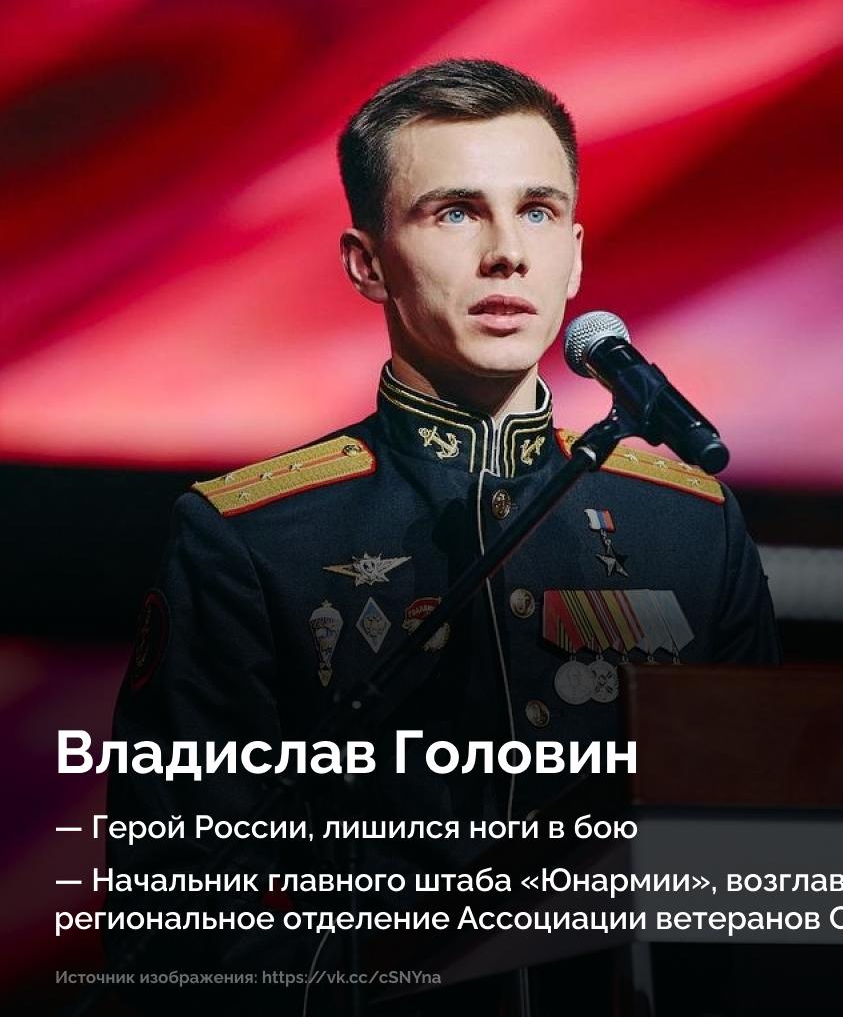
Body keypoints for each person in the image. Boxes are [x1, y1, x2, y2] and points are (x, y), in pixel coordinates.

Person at [104, 58, 780, 1013]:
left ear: (575, 257)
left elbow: (765, 848)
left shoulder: (691, 523)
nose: (506, 253)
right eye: (456, 213)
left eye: (537, 211)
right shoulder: (252, 535)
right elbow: (175, 908)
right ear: (367, 263)